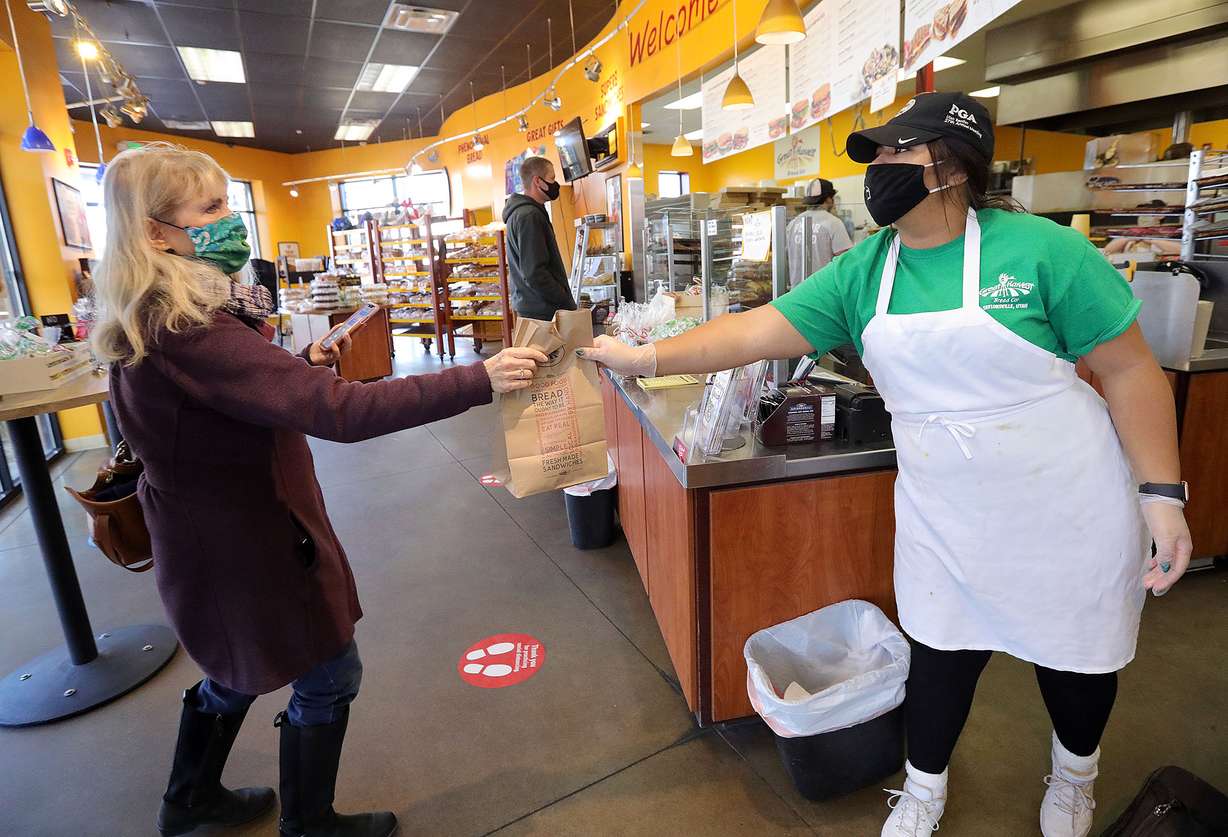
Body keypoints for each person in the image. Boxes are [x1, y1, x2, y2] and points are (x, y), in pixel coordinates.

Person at [580, 93, 1193, 837]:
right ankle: (924, 788)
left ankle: (1073, 777)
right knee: (939, 656)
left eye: (897, 152)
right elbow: (749, 334)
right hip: (946, 515)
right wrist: (641, 354)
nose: (878, 169)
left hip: (1065, 505)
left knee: (1077, 661)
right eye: (875, 155)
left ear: (952, 166)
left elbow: (1130, 372)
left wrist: (1162, 493)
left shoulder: (1043, 252)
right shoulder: (863, 272)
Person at [90, 143, 546, 837]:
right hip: (252, 546)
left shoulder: (150, 316)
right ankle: (308, 822)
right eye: (209, 207)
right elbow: (342, 410)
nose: (228, 219)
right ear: (156, 232)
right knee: (328, 668)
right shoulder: (188, 327)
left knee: (234, 664)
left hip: (213, 541)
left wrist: (294, 366)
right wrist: (478, 378)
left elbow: (217, 404)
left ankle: (189, 799)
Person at [502, 156, 578, 321]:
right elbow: (534, 273)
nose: (555, 184)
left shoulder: (520, 214)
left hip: (532, 307)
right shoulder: (530, 216)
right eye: (552, 178)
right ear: (538, 181)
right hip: (543, 312)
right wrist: (564, 299)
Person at [786, 177, 852, 289]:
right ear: (828, 199)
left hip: (795, 292)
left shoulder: (793, 223)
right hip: (823, 293)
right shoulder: (834, 223)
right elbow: (845, 261)